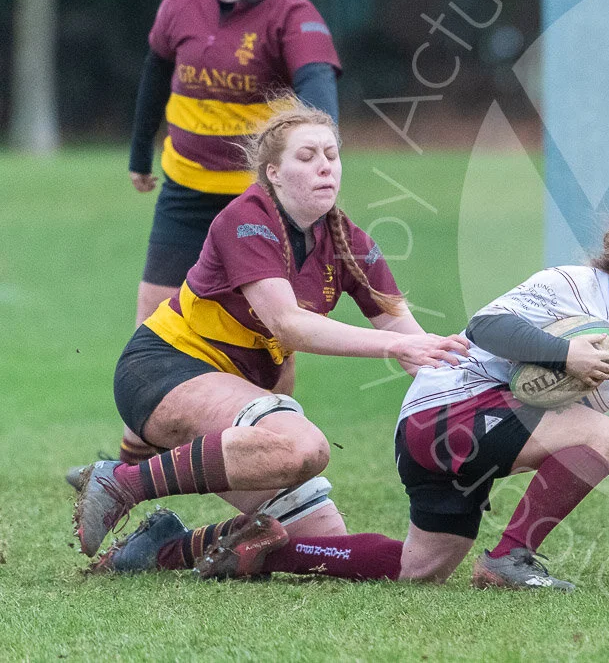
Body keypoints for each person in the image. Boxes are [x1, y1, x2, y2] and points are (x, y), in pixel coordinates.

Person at [180, 207, 609, 589]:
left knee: (420, 569)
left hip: (470, 438)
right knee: (598, 433)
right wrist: (563, 355)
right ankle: (509, 560)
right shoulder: (570, 287)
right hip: (440, 417)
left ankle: (246, 552)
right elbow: (487, 328)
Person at [76, 102, 470, 574]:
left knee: (333, 548)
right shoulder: (246, 218)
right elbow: (288, 323)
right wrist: (393, 346)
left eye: (331, 154)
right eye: (307, 156)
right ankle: (122, 482)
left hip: (236, 400)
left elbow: (411, 340)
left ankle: (165, 549)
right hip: (163, 370)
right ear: (274, 173)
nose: (325, 165)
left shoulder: (349, 241)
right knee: (305, 447)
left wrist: (482, 386)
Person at [112, 0, 342, 471]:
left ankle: (274, 448)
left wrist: (319, 147)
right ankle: (136, 455)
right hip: (185, 191)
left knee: (273, 329)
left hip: (255, 203)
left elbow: (317, 83)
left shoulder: (293, 14)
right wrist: (141, 154)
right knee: (155, 320)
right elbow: (154, 74)